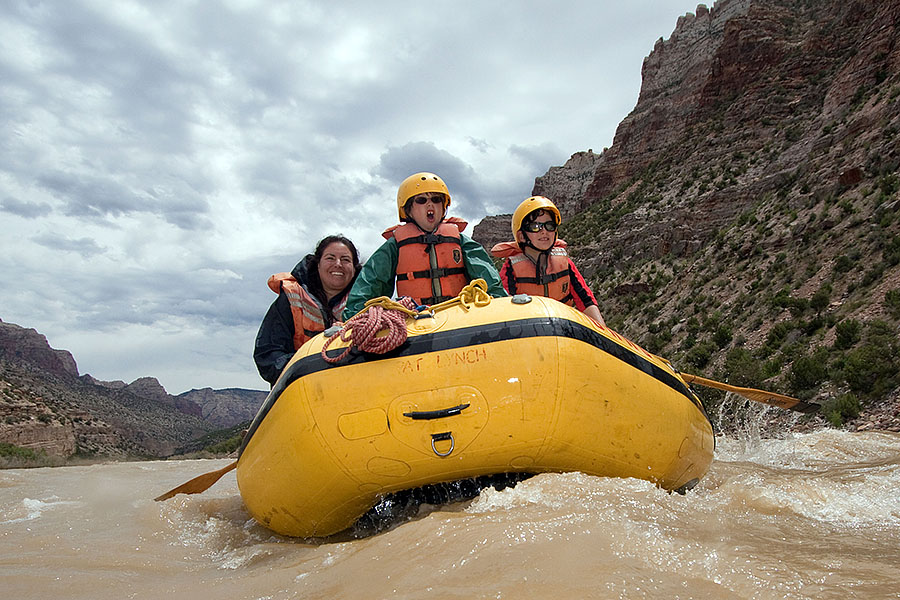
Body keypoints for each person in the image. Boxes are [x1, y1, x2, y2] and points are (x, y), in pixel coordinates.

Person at [343, 172, 507, 318]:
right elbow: (371, 282)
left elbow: (488, 279)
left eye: (436, 200)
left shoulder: (459, 241)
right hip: (415, 318)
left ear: (443, 207)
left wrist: (503, 305)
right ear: (408, 210)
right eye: (421, 200)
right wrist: (353, 317)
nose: (430, 205)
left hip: (459, 315)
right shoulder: (395, 246)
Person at [254, 235, 361, 386]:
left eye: (345, 259)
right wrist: (313, 368)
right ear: (318, 264)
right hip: (303, 391)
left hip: (354, 389)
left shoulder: (369, 305)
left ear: (355, 267)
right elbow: (267, 356)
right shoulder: (292, 299)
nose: (338, 264)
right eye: (330, 258)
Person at [491, 196, 606, 325]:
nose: (544, 231)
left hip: (564, 328)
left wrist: (603, 333)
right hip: (530, 332)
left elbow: (586, 301)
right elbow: (503, 310)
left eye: (549, 225)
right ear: (522, 236)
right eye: (535, 226)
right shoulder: (511, 268)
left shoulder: (565, 263)